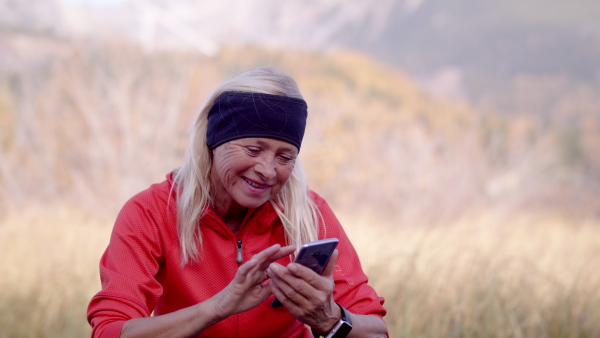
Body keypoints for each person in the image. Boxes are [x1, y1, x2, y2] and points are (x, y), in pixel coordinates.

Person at [87, 67, 388, 337]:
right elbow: (111, 330)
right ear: (213, 141)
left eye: (285, 158)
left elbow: (376, 330)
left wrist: (330, 320)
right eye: (253, 149)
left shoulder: (309, 213)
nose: (268, 171)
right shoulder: (151, 212)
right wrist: (218, 306)